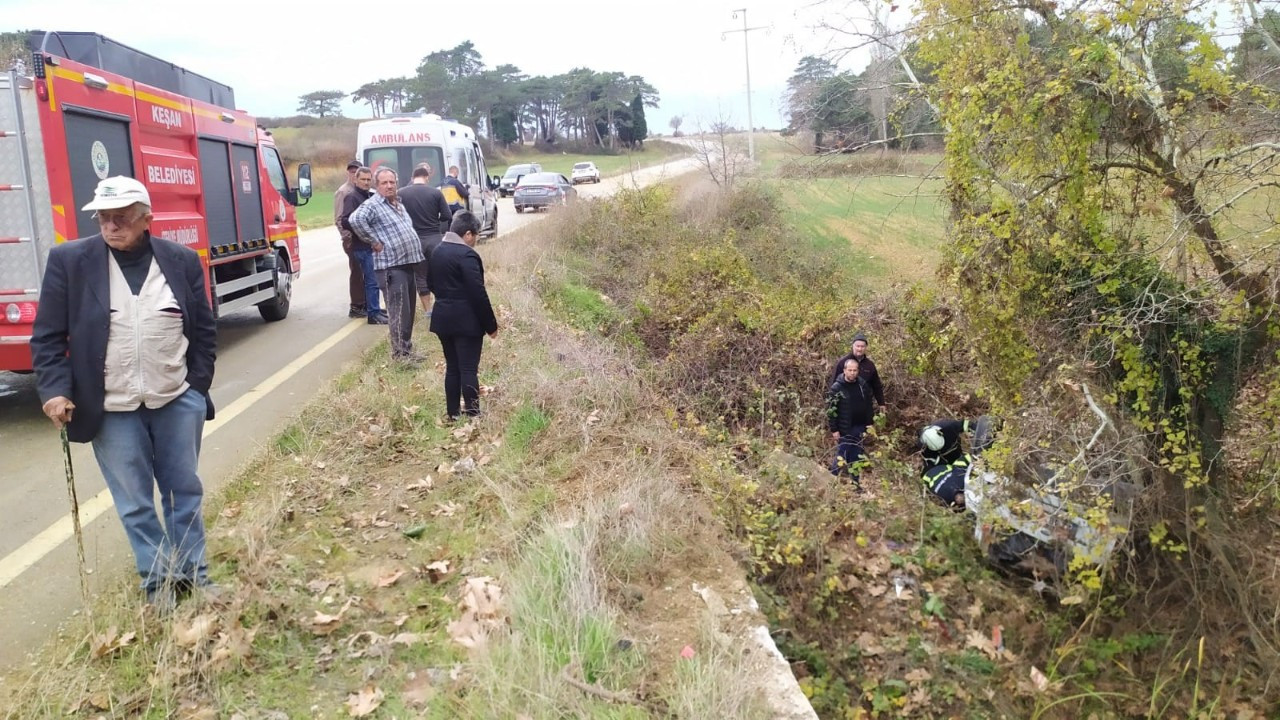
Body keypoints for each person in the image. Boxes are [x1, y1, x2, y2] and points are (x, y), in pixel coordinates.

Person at [30, 176, 218, 610]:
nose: (111, 227)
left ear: (146, 219)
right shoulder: (70, 261)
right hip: (111, 407)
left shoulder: (181, 260)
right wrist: (55, 390)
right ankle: (159, 587)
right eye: (103, 219)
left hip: (175, 398)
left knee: (182, 493)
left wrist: (196, 387)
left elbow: (204, 329)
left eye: (122, 219)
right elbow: (47, 337)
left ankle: (195, 579)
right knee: (135, 502)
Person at [348, 167, 426, 364]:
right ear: (377, 185)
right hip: (391, 267)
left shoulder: (397, 203)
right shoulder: (374, 204)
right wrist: (373, 241)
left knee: (408, 313)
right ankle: (400, 356)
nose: (389, 186)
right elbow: (354, 219)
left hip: (407, 264)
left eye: (392, 182)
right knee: (398, 312)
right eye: (384, 182)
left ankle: (406, 351)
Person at [428, 211, 498, 420]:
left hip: (442, 318)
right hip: (466, 321)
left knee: (453, 367)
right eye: (475, 235)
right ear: (468, 234)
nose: (475, 240)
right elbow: (478, 293)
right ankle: (473, 414)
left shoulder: (437, 250)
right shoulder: (467, 255)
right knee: (468, 368)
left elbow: (430, 283)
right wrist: (491, 325)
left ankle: (453, 413)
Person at [398, 164, 453, 314]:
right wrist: (435, 221)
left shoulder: (401, 193)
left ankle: (428, 310)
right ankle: (443, 305)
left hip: (414, 240)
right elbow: (448, 216)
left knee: (420, 275)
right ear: (427, 177)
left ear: (412, 178)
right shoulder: (435, 193)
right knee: (439, 272)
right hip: (434, 238)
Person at [339, 166, 386, 325]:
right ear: (356, 179)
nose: (366, 182)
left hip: (372, 245)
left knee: (375, 280)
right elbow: (345, 220)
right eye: (363, 179)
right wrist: (362, 228)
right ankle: (373, 314)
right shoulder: (352, 197)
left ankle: (375, 308)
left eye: (368, 179)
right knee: (371, 281)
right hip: (362, 245)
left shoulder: (370, 196)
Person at [919, 417, 996, 508]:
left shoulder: (948, 426)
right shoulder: (923, 448)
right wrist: (979, 455)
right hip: (943, 465)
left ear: (941, 433)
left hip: (955, 455)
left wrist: (981, 434)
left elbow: (967, 424)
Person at [826, 355, 875, 487]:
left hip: (860, 427)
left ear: (858, 371)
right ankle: (831, 481)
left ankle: (856, 484)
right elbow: (831, 410)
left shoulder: (862, 385)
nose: (852, 373)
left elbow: (869, 405)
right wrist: (834, 429)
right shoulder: (837, 387)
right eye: (850, 370)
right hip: (845, 428)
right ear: (844, 370)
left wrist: (870, 423)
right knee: (843, 454)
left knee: (857, 456)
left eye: (855, 370)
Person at [334, 159, 365, 318]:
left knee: (365, 271)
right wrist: (347, 237)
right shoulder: (344, 191)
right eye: (352, 171)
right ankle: (356, 305)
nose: (354, 174)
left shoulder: (361, 190)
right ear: (348, 173)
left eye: (356, 171)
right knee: (357, 272)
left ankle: (364, 303)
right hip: (351, 239)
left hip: (362, 239)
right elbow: (339, 219)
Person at [829, 332, 885, 410]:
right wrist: (832, 405)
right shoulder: (843, 362)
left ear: (866, 347)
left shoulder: (870, 365)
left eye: (862, 346)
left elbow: (876, 386)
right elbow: (833, 385)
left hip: (864, 406)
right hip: (846, 406)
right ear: (853, 346)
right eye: (857, 346)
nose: (859, 349)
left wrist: (881, 403)